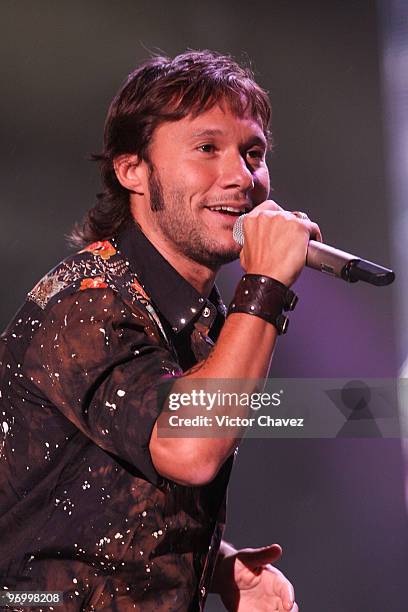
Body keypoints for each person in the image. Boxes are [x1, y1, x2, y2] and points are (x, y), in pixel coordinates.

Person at [0, 50, 320, 611]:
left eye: (253, 152)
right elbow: (189, 448)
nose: (241, 177)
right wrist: (266, 284)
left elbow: (93, 498)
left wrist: (218, 562)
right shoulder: (85, 301)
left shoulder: (203, 318)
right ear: (132, 171)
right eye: (207, 148)